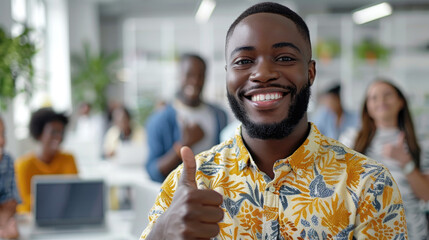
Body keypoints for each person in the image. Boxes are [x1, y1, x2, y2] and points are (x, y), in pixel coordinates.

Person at [140, 2, 407, 239]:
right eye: (244, 60)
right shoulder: (188, 185)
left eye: (284, 58)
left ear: (310, 72)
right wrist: (162, 234)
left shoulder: (368, 183)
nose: (263, 73)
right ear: (227, 76)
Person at [340, 79, 429, 239]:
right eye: (374, 97)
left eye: (387, 95)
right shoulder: (351, 140)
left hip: (412, 232)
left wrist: (405, 162)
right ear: (367, 107)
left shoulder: (420, 144)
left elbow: (426, 194)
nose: (381, 101)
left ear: (401, 102)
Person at [145, 53, 228, 183]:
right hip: (178, 197)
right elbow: (153, 172)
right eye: (189, 75)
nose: (195, 81)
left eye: (201, 75)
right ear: (179, 76)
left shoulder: (219, 115)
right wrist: (185, 143)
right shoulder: (160, 119)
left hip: (215, 193)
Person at [15, 108, 78, 213]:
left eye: (61, 133)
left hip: (64, 218)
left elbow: (74, 194)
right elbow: (23, 205)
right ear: (39, 133)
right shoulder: (23, 165)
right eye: (53, 132)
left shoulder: (68, 159)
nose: (58, 137)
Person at [0, 116, 20, 239]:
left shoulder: (7, 160)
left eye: (3, 134)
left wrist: (4, 226)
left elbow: (11, 202)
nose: (2, 141)